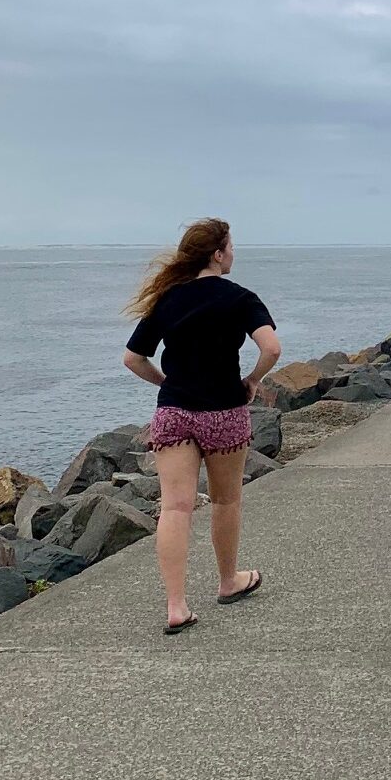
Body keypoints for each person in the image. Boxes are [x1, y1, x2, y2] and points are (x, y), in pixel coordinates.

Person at [122, 218, 281, 635]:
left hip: (175, 412)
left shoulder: (167, 298)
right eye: (231, 247)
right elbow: (271, 347)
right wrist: (253, 380)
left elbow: (133, 358)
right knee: (226, 501)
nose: (233, 254)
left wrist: (165, 382)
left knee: (175, 507)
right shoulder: (240, 298)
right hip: (225, 412)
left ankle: (176, 606)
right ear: (217, 253)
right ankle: (228, 581)